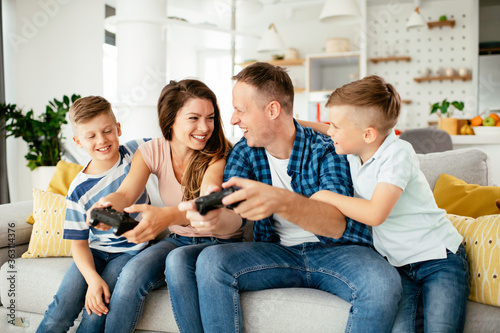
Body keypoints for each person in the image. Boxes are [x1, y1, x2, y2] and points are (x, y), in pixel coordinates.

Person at [179, 62, 402, 332]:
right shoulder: (244, 152)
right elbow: (234, 216)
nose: (233, 119)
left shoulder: (326, 149)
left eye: (240, 109)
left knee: (383, 283)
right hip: (277, 252)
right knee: (210, 261)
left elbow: (336, 224)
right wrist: (215, 220)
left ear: (272, 110)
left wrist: (279, 200)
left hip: (337, 252)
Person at [309, 75, 469, 332]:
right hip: (399, 267)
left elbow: (375, 214)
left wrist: (326, 196)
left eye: (335, 126)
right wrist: (292, 123)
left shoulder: (398, 153)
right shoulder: (354, 149)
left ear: (368, 134)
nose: (330, 132)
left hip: (438, 258)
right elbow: (323, 127)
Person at [92, 79, 243, 333]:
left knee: (176, 260)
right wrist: (107, 204)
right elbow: (126, 193)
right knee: (130, 275)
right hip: (180, 238)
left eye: (210, 117)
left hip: (219, 242)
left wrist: (165, 216)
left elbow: (205, 202)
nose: (205, 127)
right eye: (194, 118)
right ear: (170, 119)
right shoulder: (152, 151)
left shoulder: (219, 153)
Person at [37, 96, 150, 333]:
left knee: (96, 312)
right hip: (95, 252)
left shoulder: (136, 152)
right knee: (59, 312)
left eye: (107, 131)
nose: (102, 140)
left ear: (118, 128)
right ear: (78, 141)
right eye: (91, 136)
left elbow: (175, 146)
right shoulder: (78, 189)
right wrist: (91, 279)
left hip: (128, 254)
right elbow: (78, 245)